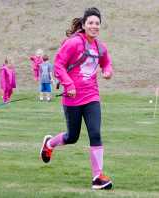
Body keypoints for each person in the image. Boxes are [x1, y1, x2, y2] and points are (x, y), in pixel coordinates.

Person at [39, 7, 113, 190]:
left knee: (95, 133)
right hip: (72, 98)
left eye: (97, 23)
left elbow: (106, 63)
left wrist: (107, 71)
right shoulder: (74, 43)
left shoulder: (100, 47)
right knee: (72, 137)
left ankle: (97, 177)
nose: (94, 26)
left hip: (92, 96)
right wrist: (69, 84)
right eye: (91, 23)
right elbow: (59, 65)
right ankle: (49, 143)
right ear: (84, 25)